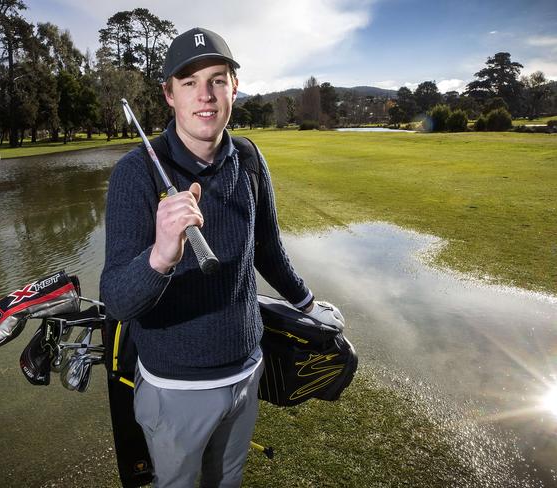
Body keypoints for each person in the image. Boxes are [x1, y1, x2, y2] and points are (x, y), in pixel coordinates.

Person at [100, 27, 344, 488]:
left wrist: (308, 305)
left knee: (227, 480)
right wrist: (161, 255)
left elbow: (267, 248)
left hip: (247, 372)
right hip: (177, 389)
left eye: (216, 79)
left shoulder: (249, 158)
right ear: (169, 95)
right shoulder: (134, 175)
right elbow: (116, 299)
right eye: (189, 83)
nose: (205, 95)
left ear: (234, 87)